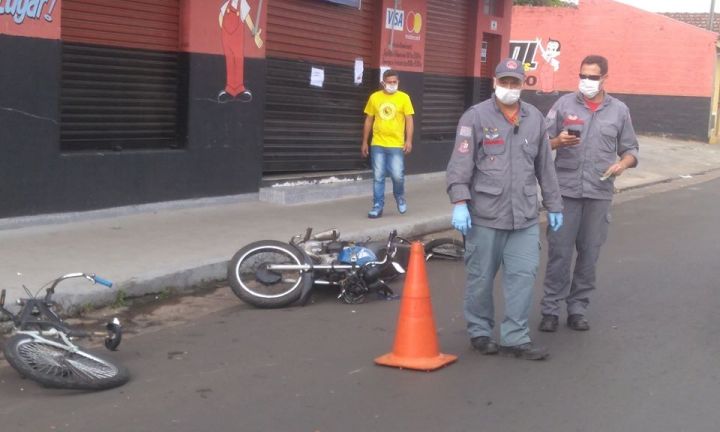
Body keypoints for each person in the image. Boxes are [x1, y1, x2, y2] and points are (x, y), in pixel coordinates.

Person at [446, 58, 563, 361]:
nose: (510, 88)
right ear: (494, 82)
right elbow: (460, 165)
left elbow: (544, 167)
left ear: (523, 84)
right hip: (485, 214)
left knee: (523, 275)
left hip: (523, 215)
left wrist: (554, 204)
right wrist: (460, 202)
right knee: (481, 278)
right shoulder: (475, 117)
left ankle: (515, 337)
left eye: (515, 83)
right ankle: (480, 332)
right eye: (505, 82)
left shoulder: (535, 118)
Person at [538, 55, 639, 333]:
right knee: (559, 252)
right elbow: (538, 143)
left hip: (599, 192)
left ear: (605, 78)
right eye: (583, 75)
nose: (587, 82)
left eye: (593, 77)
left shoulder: (619, 111)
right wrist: (557, 141)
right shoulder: (563, 105)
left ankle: (577, 308)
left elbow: (631, 150)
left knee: (589, 253)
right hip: (565, 192)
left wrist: (622, 164)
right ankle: (550, 309)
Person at [361, 69, 415, 218]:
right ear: (383, 83)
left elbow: (409, 120)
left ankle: (399, 196)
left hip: (396, 144)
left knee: (397, 175)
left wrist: (408, 140)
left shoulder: (404, 98)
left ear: (398, 82)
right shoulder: (374, 98)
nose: (392, 85)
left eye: (395, 82)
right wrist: (364, 142)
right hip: (377, 143)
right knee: (378, 176)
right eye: (389, 82)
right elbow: (369, 120)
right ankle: (377, 205)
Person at [218, 0, 258, 103]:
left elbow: (247, 17)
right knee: (229, 62)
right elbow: (221, 16)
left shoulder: (242, 3)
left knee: (238, 61)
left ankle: (239, 89)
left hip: (237, 38)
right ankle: (229, 90)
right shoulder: (226, 3)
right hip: (226, 37)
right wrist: (223, 29)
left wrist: (253, 29)